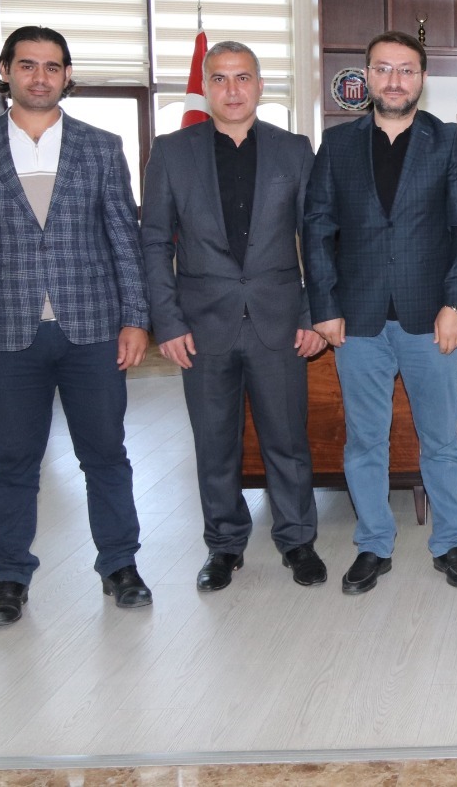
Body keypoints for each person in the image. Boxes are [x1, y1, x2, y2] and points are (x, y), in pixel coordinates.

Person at [0, 25, 151, 625]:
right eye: (27, 65)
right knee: (13, 460)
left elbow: (124, 239)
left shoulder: (100, 146)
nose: (40, 77)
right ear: (5, 71)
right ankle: (9, 576)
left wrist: (136, 319)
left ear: (67, 75)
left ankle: (120, 564)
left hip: (93, 330)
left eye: (52, 66)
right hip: (6, 334)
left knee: (105, 454)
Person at [141, 41, 327, 593]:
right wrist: (168, 322)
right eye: (219, 79)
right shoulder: (171, 152)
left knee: (287, 441)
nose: (232, 89)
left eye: (243, 77)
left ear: (260, 85)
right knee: (214, 443)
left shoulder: (294, 150)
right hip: (201, 328)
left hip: (280, 321)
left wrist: (314, 314)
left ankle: (297, 540)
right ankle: (224, 546)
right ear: (204, 88)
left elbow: (316, 237)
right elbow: (154, 242)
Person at [303, 31, 457, 594]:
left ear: (422, 78)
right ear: (366, 77)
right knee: (365, 441)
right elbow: (318, 227)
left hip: (431, 318)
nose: (394, 80)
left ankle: (450, 541)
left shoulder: (448, 141)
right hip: (356, 320)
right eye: (383, 69)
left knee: (441, 440)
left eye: (406, 69)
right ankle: (374, 544)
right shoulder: (337, 144)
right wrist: (324, 306)